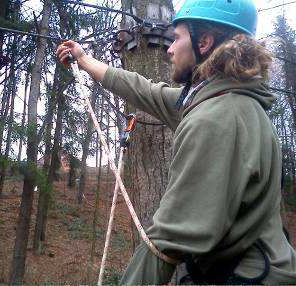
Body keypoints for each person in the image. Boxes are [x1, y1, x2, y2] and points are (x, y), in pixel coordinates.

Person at [56, 0, 296, 283]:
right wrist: (84, 61)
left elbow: (169, 239)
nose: (169, 48)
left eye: (177, 38)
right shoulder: (222, 100)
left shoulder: (216, 120)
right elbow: (144, 90)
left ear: (204, 42)